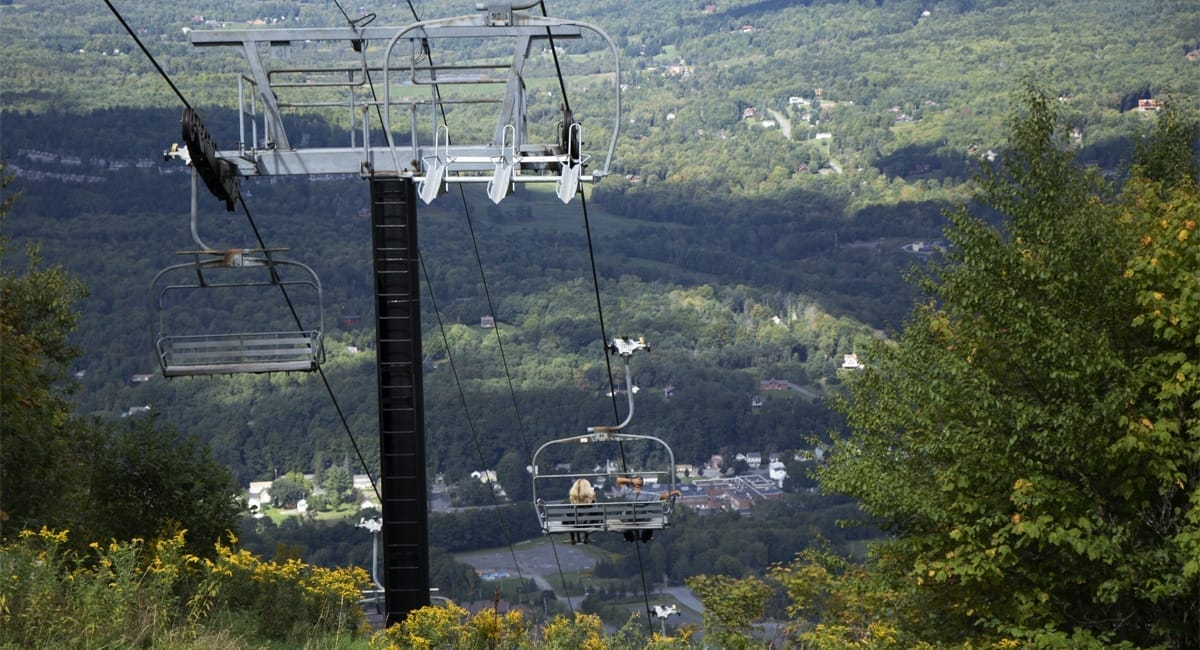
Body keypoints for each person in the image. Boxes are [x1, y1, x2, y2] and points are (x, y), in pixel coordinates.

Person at [613, 475, 682, 542]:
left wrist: (631, 481)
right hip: (642, 519)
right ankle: (646, 536)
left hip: (628, 518)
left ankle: (628, 536)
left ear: (633, 484)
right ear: (642, 484)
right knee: (651, 517)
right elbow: (664, 496)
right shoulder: (647, 495)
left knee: (622, 516)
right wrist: (675, 492)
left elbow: (618, 480)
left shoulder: (627, 491)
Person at [568, 478, 596, 545]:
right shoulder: (589, 497)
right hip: (587, 522)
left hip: (574, 522)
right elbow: (594, 508)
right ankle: (586, 538)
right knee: (589, 516)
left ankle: (572, 538)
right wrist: (593, 495)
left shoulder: (573, 497)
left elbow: (571, 509)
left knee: (571, 516)